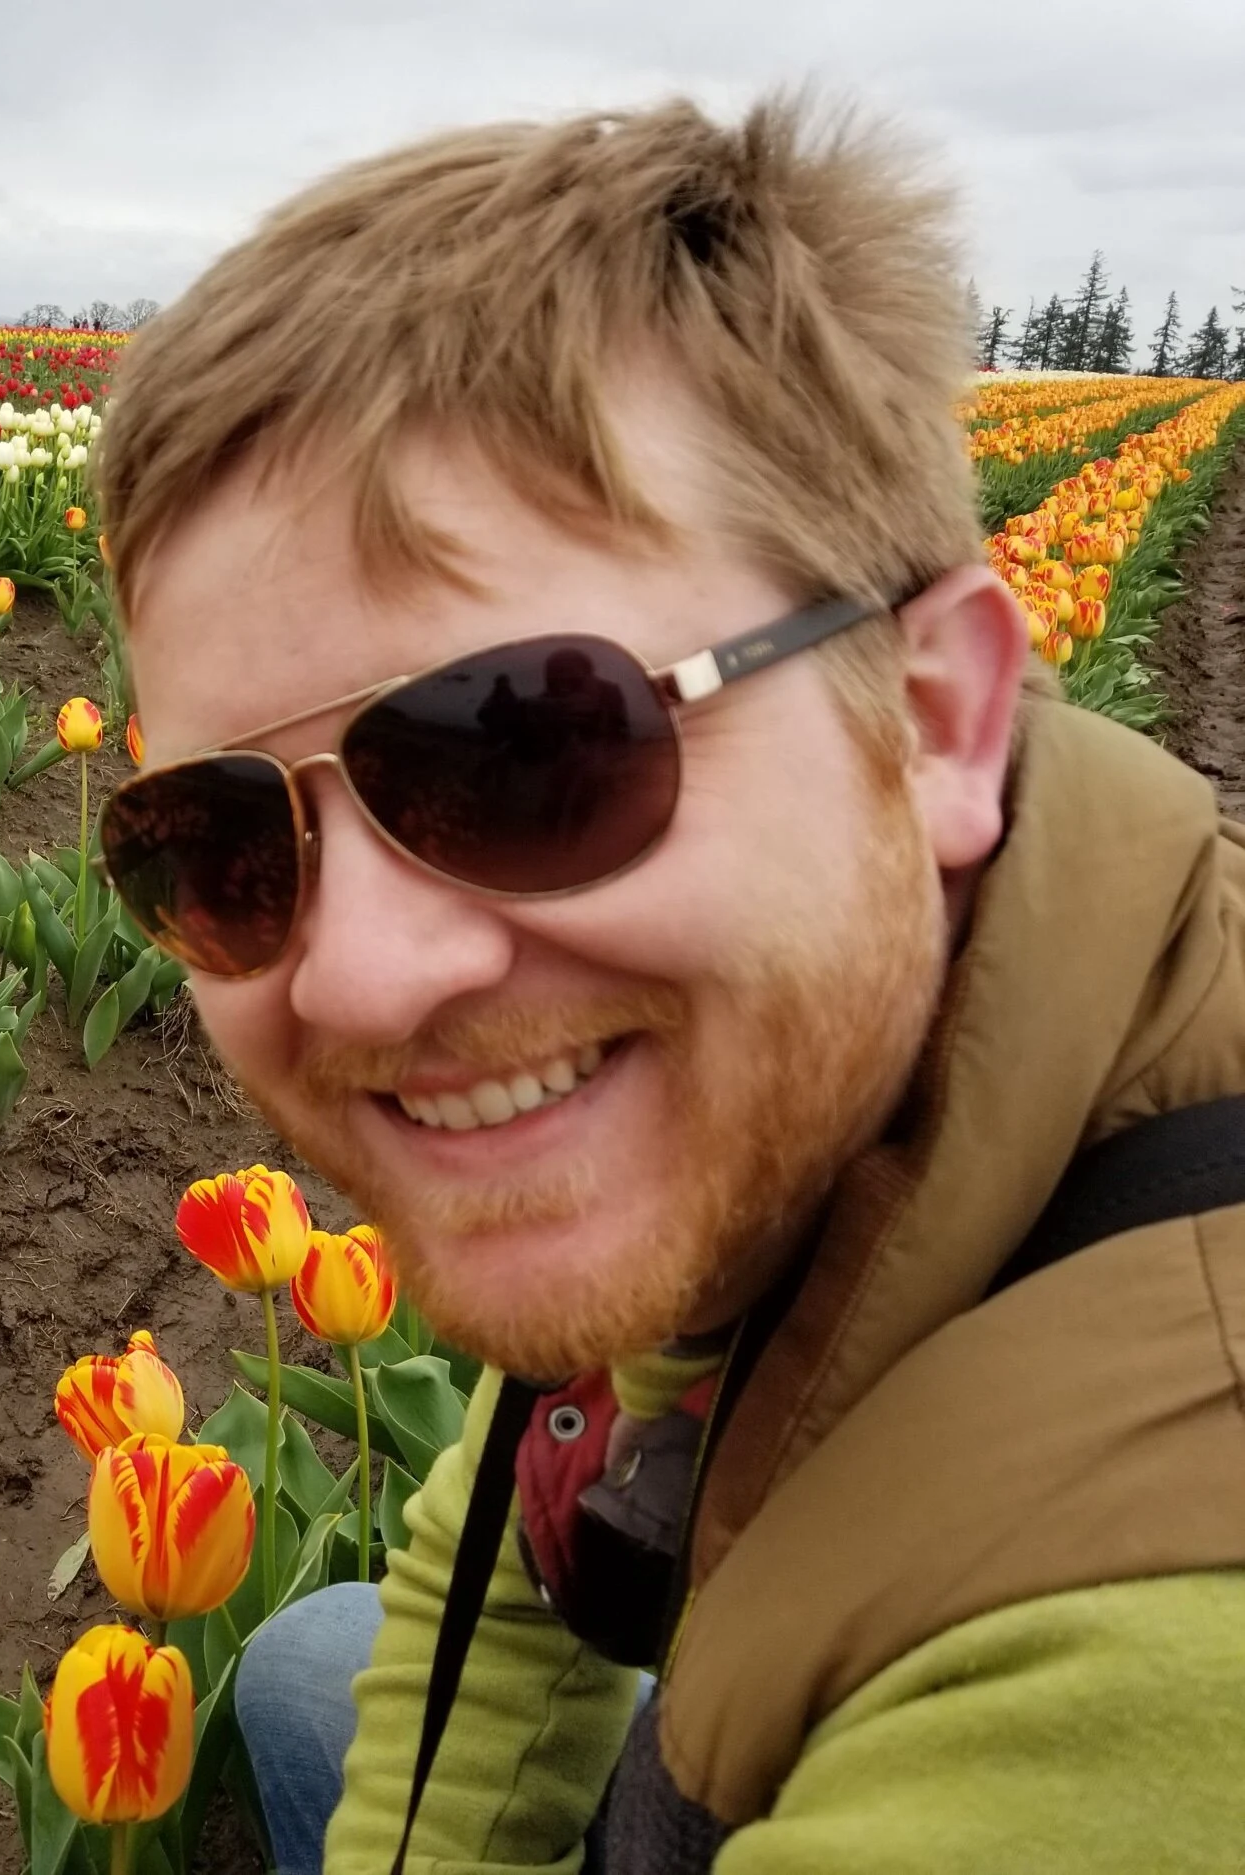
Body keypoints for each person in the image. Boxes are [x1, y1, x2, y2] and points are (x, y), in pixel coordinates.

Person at [93, 94, 1245, 1873]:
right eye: (216, 840)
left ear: (938, 713)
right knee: (320, 1663)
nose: (368, 974)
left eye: (531, 749)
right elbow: (527, 1503)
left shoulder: (1155, 1670)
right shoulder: (773, 1095)